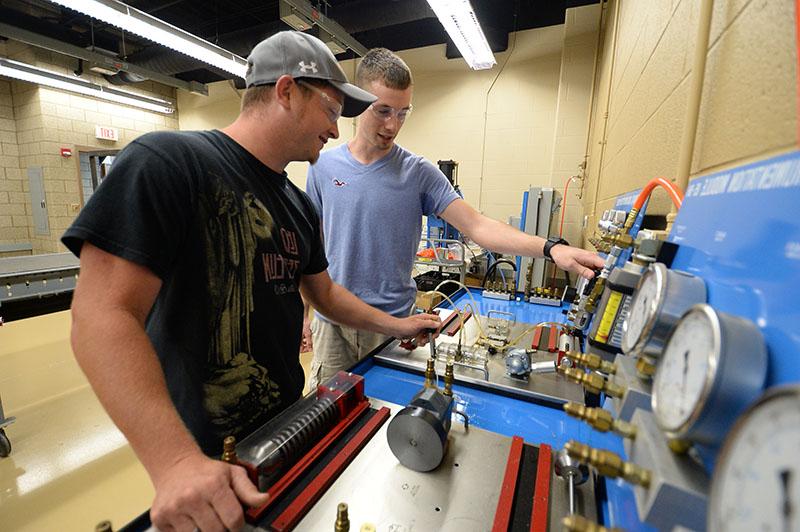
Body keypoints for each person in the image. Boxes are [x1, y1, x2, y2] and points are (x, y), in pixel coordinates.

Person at [64, 32, 440, 532]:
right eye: (330, 108)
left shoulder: (297, 204)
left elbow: (323, 294)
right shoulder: (169, 163)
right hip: (201, 453)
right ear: (286, 91)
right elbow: (101, 315)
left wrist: (395, 325)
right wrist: (174, 464)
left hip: (284, 434)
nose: (335, 127)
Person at [304, 48, 605, 388]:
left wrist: (551, 248)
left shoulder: (417, 173)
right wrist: (304, 316)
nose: (393, 125)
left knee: (388, 417)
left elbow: (477, 225)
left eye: (403, 113)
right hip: (333, 326)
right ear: (357, 105)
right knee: (327, 417)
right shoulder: (322, 167)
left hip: (396, 325)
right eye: (383, 110)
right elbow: (310, 250)